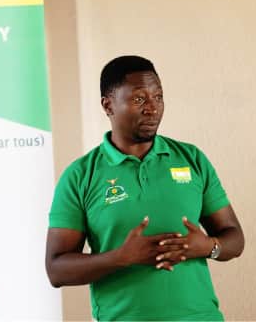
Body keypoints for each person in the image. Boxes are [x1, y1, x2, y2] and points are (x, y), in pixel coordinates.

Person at [46, 55, 244, 321]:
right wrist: (120, 257)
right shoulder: (80, 175)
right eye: (139, 99)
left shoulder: (192, 159)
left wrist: (208, 246)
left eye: (158, 97)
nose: (153, 108)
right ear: (108, 105)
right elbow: (56, 270)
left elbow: (235, 238)